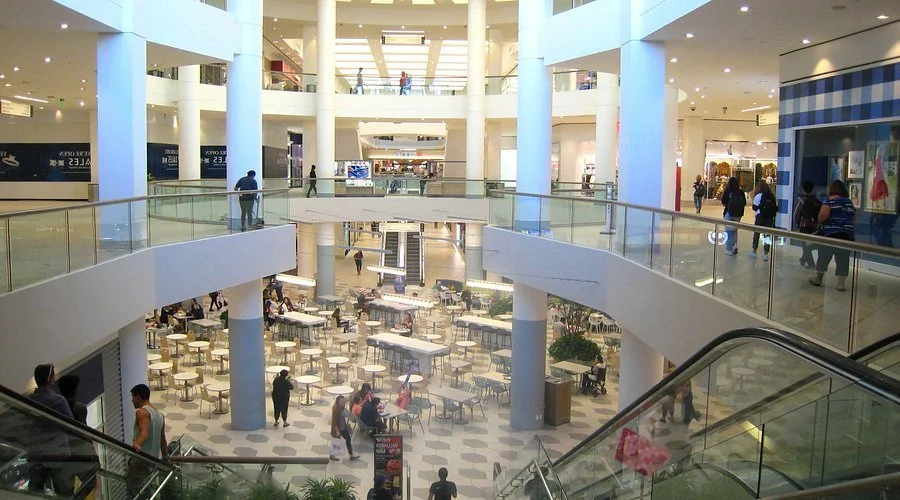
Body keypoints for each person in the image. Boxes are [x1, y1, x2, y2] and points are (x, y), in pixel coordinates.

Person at [28, 363, 74, 495]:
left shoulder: (28, 400)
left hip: (36, 452)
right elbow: (71, 425)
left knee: (34, 491)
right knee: (64, 492)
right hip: (57, 452)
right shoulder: (58, 401)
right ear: (50, 379)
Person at [57, 374, 99, 499]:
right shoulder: (79, 408)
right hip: (79, 453)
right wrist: (93, 455)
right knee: (90, 481)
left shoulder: (56, 409)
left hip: (62, 454)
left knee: (65, 489)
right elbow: (84, 433)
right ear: (75, 389)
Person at [809, 180, 856, 291]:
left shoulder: (829, 200)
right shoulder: (849, 202)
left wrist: (820, 221)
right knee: (843, 259)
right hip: (846, 234)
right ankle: (841, 284)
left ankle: (818, 279)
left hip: (831, 233)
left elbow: (823, 215)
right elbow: (853, 218)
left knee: (824, 256)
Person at [127, 384, 167, 497]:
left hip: (141, 460)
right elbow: (163, 439)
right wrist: (166, 458)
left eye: (133, 397)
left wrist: (137, 444)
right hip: (152, 462)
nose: (132, 401)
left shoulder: (142, 412)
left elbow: (144, 432)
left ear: (138, 396)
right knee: (148, 490)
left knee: (134, 491)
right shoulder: (160, 415)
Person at [793, 180, 821, 269]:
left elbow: (796, 214)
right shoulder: (816, 200)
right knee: (808, 243)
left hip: (804, 225)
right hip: (813, 225)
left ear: (802, 189)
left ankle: (811, 263)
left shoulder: (801, 200)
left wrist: (797, 223)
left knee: (805, 244)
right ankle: (803, 259)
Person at [750, 179, 777, 261]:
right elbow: (775, 207)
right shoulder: (771, 196)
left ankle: (754, 251)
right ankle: (765, 253)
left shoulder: (758, 196)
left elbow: (754, 208)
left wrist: (760, 207)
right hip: (769, 218)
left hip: (760, 217)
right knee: (767, 235)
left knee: (756, 234)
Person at [721, 177, 746, 256]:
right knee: (735, 230)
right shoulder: (740, 192)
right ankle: (735, 245)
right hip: (738, 214)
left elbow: (723, 201)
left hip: (729, 213)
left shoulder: (728, 191)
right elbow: (744, 203)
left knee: (728, 231)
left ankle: (729, 249)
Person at [330, 395, 360, 461]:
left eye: (343, 401)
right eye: (341, 401)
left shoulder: (342, 408)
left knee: (346, 439)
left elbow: (346, 415)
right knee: (336, 441)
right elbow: (334, 422)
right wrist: (337, 431)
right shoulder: (336, 410)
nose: (342, 402)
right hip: (338, 428)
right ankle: (333, 455)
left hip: (342, 427)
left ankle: (351, 454)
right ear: (337, 401)